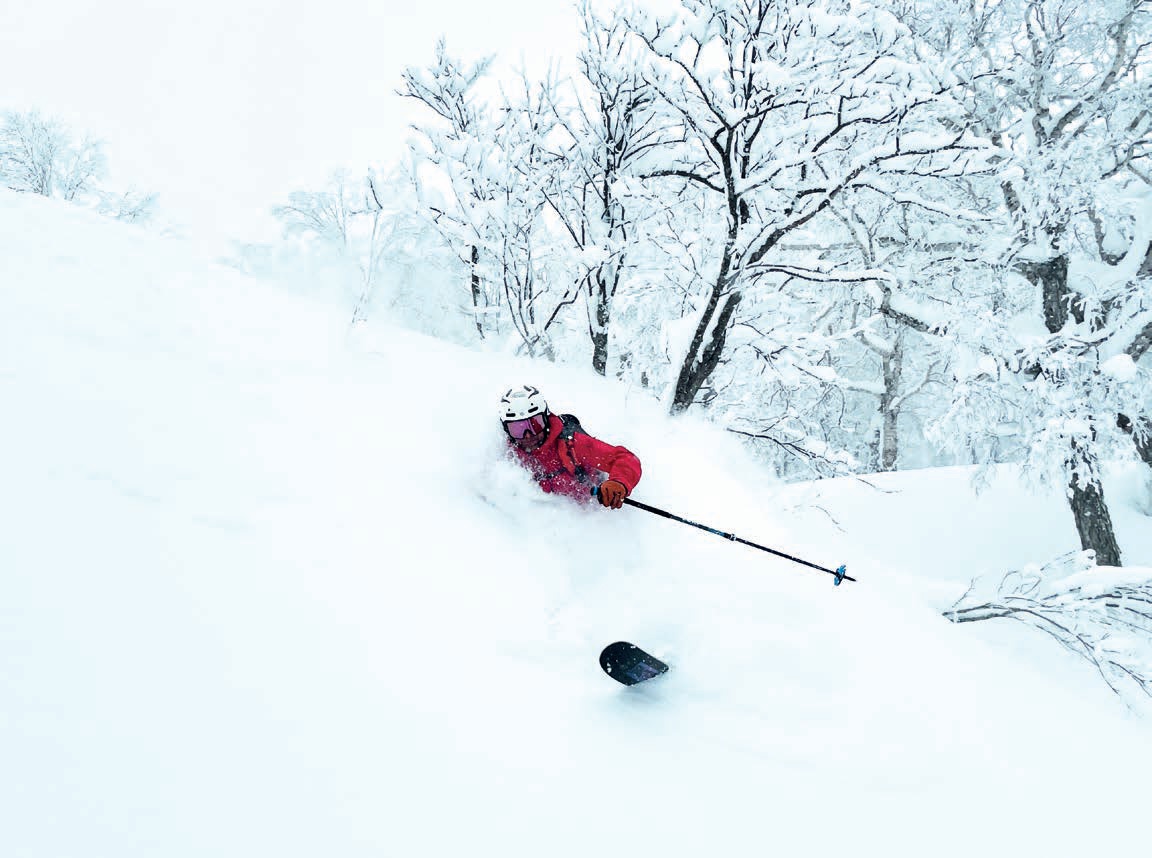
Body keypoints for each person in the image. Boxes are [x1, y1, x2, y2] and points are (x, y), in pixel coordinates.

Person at [499, 384, 641, 509]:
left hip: (590, 511)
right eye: (518, 429)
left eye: (535, 425)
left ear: (546, 419)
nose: (528, 435)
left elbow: (625, 459)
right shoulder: (508, 452)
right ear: (507, 430)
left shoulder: (571, 444)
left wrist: (619, 483)